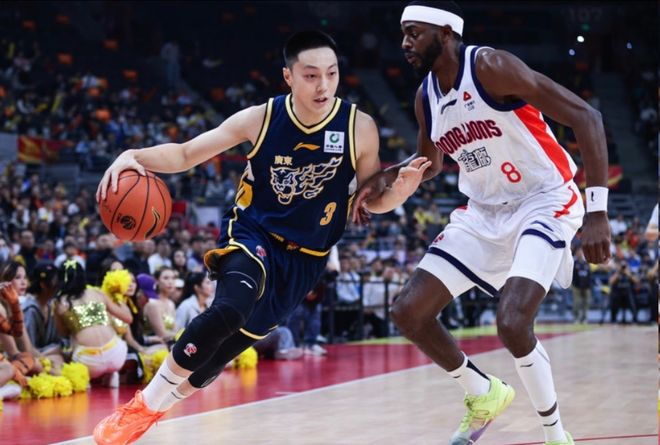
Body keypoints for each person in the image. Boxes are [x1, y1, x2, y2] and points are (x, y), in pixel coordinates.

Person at [93, 30, 429, 445]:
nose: (323, 85)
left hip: (306, 258)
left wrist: (399, 193)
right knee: (230, 310)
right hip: (254, 233)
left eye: (331, 73)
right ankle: (141, 407)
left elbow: (370, 201)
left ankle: (157, 407)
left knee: (216, 358)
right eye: (310, 75)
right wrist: (133, 156)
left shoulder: (359, 127)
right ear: (288, 76)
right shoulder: (261, 118)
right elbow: (185, 154)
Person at [353, 2, 611, 445]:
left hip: (543, 199)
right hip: (483, 211)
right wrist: (387, 178)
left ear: (446, 33)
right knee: (408, 311)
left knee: (512, 323)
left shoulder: (491, 67)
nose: (405, 43)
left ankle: (555, 435)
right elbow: (429, 162)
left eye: (414, 33)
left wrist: (598, 210)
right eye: (403, 33)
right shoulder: (426, 96)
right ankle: (483, 391)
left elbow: (587, 117)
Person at [54, 260, 132, 387]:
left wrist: (73, 320)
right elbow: (128, 318)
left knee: (70, 344)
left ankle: (85, 379)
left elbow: (62, 333)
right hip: (117, 355)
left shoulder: (59, 302)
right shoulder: (97, 293)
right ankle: (112, 373)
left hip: (88, 362)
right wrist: (119, 296)